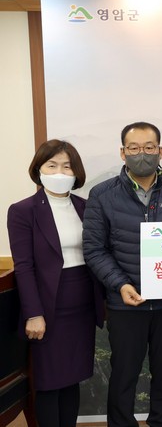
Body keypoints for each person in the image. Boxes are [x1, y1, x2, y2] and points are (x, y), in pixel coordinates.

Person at [83, 122, 162, 427]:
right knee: (124, 373)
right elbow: (94, 249)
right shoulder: (102, 195)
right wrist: (120, 285)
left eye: (149, 147)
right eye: (134, 148)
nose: (141, 154)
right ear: (123, 153)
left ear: (160, 151)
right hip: (125, 303)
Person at [7, 140, 104, 427]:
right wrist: (34, 313)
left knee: (72, 378)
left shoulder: (85, 207)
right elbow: (23, 267)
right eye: (52, 165)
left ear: (76, 172)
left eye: (67, 166)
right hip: (48, 307)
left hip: (82, 305)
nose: (59, 172)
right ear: (39, 170)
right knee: (49, 382)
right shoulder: (23, 210)